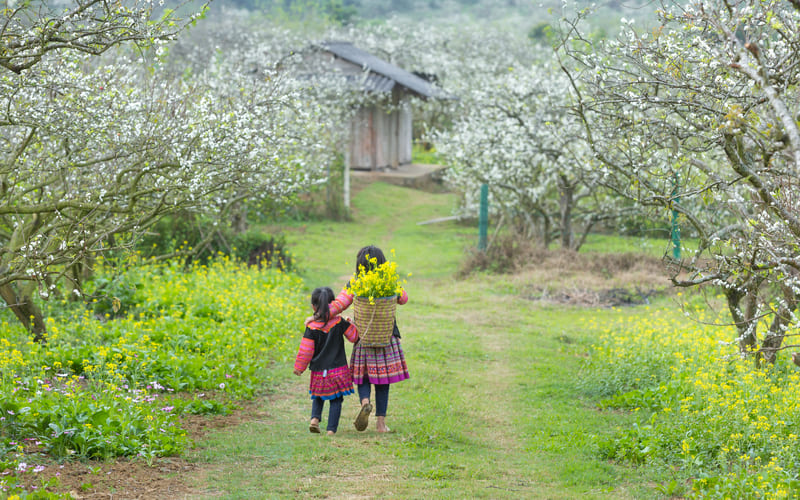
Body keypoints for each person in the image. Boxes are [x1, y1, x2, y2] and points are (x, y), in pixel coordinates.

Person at [315, 245, 410, 433]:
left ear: (359, 265)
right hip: (386, 338)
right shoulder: (389, 281)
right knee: (383, 382)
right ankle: (381, 424)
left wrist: (319, 316)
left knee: (363, 377)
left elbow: (339, 304)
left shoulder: (356, 283)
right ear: (382, 264)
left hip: (364, 338)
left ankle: (365, 402)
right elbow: (403, 298)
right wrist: (392, 285)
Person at [293, 286, 359, 436]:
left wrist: (299, 367)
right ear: (333, 304)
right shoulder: (339, 322)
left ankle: (314, 420)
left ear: (313, 306)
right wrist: (351, 323)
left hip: (318, 370)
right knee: (336, 399)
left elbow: (306, 350)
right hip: (338, 370)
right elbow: (354, 337)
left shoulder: (311, 327)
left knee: (318, 395)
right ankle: (331, 430)